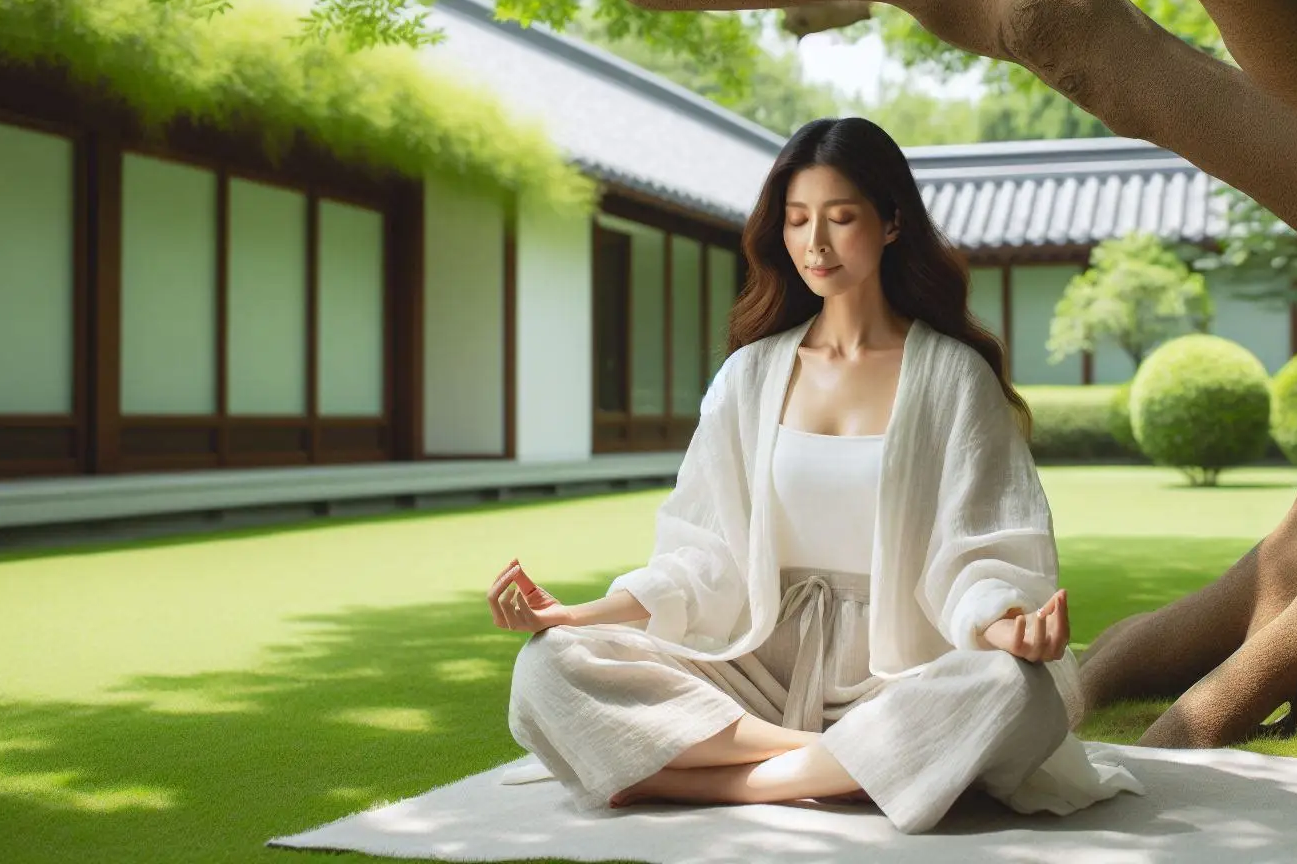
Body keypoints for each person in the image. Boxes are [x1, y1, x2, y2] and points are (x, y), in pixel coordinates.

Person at [485, 117, 1145, 834]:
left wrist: (1003, 625)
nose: (815, 244)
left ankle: (716, 781)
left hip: (900, 678)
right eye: (798, 220)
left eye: (840, 218)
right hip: (755, 673)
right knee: (548, 666)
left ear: (892, 223)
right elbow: (700, 557)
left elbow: (980, 552)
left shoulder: (953, 377)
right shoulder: (749, 376)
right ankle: (850, 764)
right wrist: (573, 616)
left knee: (1015, 690)